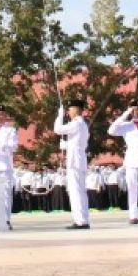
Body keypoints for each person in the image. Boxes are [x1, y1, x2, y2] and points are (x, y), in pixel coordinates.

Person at [107, 99, 138, 225]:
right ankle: (133, 215)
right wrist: (126, 113)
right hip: (131, 160)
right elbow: (111, 130)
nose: (137, 112)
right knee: (132, 188)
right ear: (131, 111)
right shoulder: (126, 126)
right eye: (134, 109)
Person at [53, 98, 90, 230]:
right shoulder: (82, 124)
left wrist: (59, 116)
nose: (68, 111)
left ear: (77, 110)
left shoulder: (76, 123)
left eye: (70, 109)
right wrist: (67, 145)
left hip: (75, 161)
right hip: (79, 159)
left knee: (75, 192)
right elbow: (79, 144)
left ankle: (80, 221)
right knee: (81, 191)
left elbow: (57, 129)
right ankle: (83, 219)